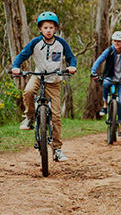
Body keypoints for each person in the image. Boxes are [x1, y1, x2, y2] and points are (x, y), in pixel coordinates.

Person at [12, 11, 77, 162]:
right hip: (38, 75)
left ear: (55, 29)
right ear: (40, 29)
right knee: (28, 91)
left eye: (51, 27)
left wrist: (72, 66)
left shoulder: (61, 43)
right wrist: (16, 66)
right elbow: (22, 55)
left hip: (54, 80)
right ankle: (29, 117)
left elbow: (71, 57)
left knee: (56, 116)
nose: (48, 30)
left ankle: (57, 149)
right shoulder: (35, 42)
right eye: (45, 27)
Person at [90, 31, 121, 139]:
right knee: (106, 83)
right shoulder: (109, 50)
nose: (116, 43)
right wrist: (93, 71)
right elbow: (100, 60)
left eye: (119, 41)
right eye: (115, 41)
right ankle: (105, 105)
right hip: (110, 76)